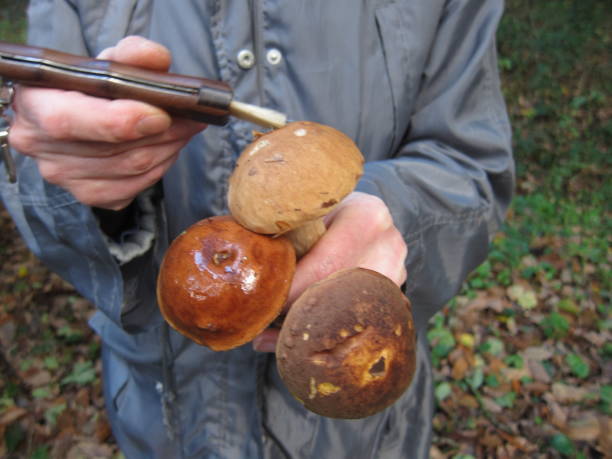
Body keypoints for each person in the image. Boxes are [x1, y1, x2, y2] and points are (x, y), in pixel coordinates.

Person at [0, 1, 514, 458]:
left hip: (364, 435)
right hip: (160, 416)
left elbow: (472, 165)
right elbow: (29, 172)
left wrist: (396, 216)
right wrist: (84, 189)